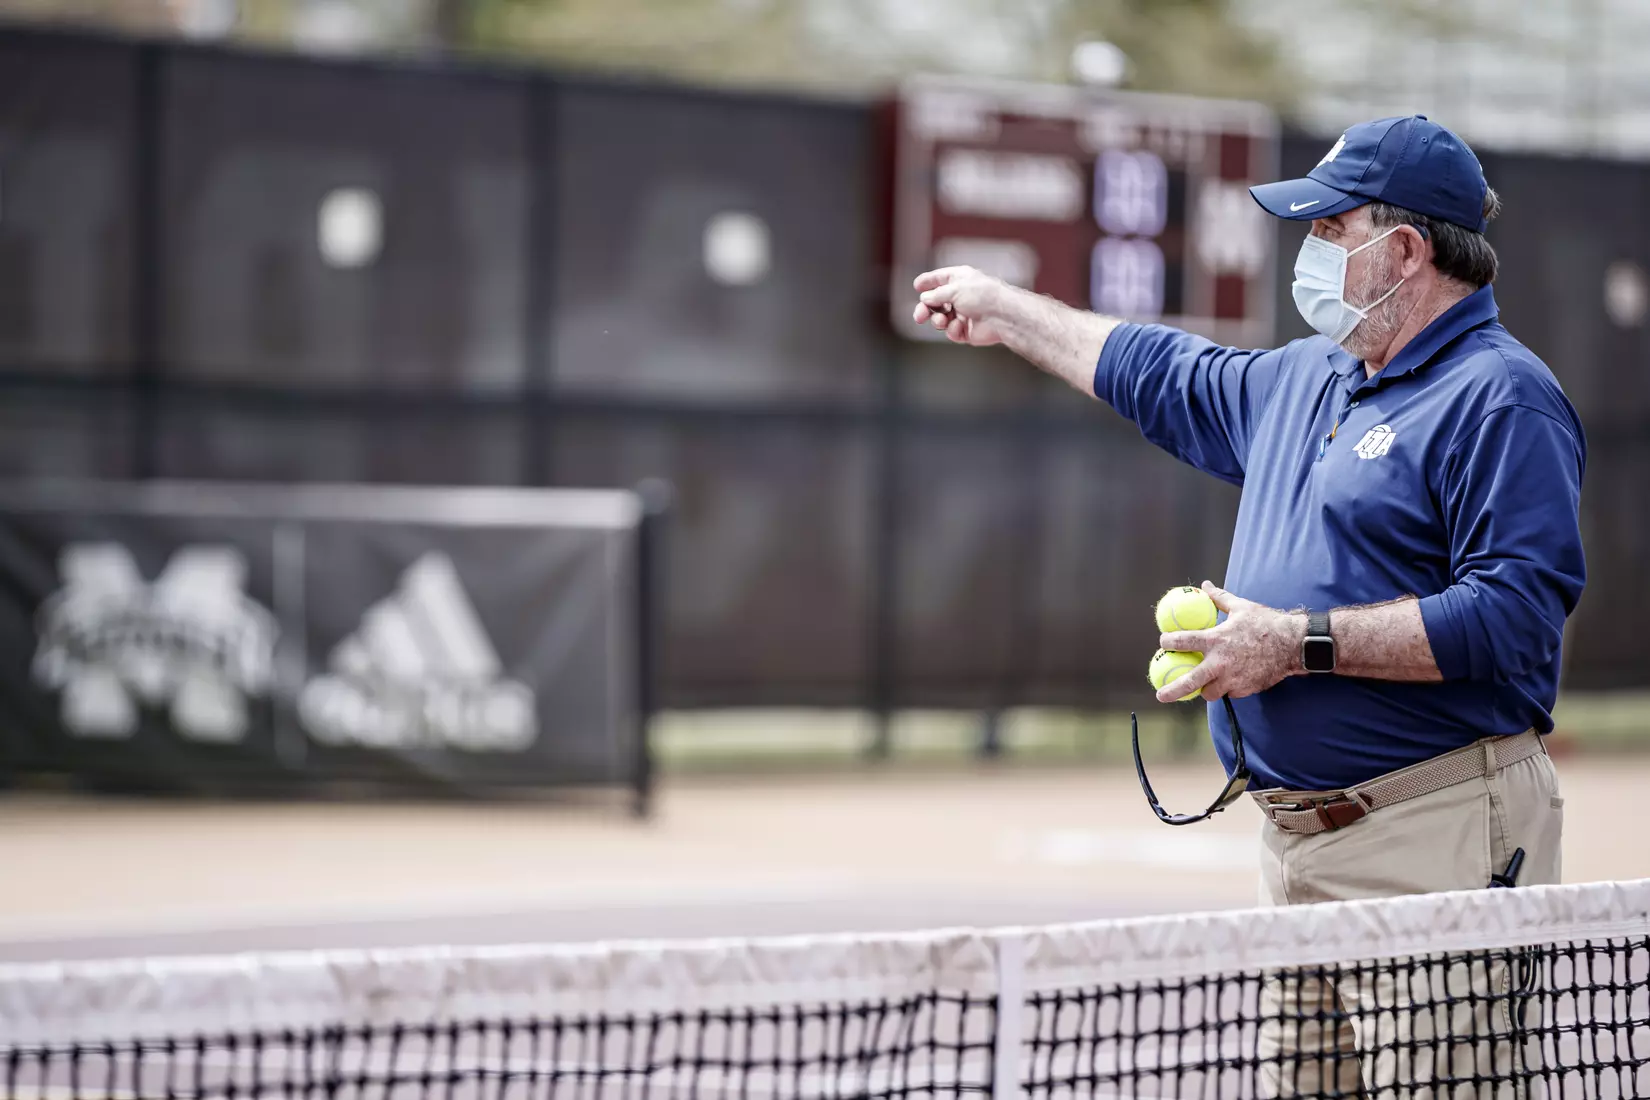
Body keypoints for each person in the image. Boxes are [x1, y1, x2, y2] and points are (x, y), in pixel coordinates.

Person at [912, 115, 1584, 1096]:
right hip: (1294, 849)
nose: (1307, 250)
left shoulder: (1502, 398)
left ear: (1405, 250)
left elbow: (1515, 616)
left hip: (1435, 833)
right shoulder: (1308, 379)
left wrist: (1294, 643)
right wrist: (1005, 309)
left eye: (1327, 229)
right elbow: (1153, 368)